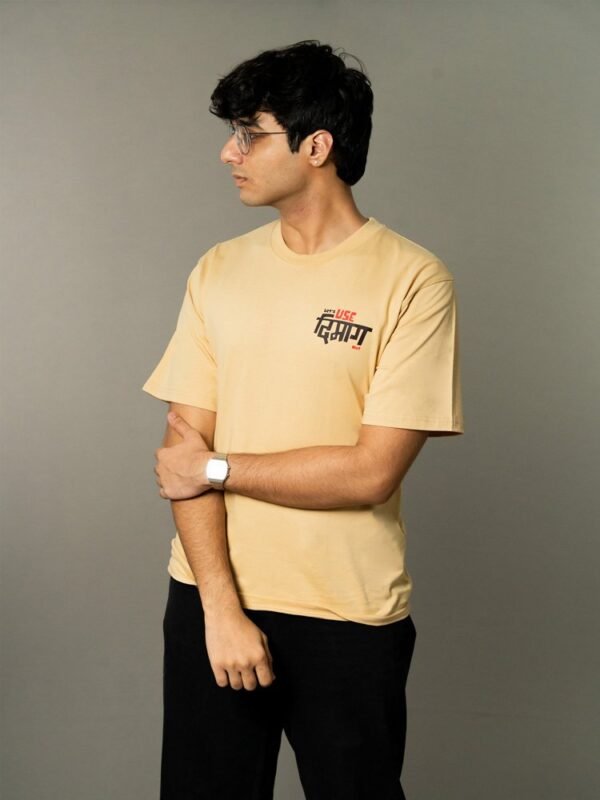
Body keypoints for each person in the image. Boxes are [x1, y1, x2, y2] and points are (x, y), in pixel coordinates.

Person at [142, 40, 464, 800]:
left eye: (249, 134)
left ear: (316, 147)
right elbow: (180, 455)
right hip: (211, 599)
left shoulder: (413, 280)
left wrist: (219, 468)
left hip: (348, 614)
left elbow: (369, 473)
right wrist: (220, 609)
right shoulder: (218, 270)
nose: (229, 153)